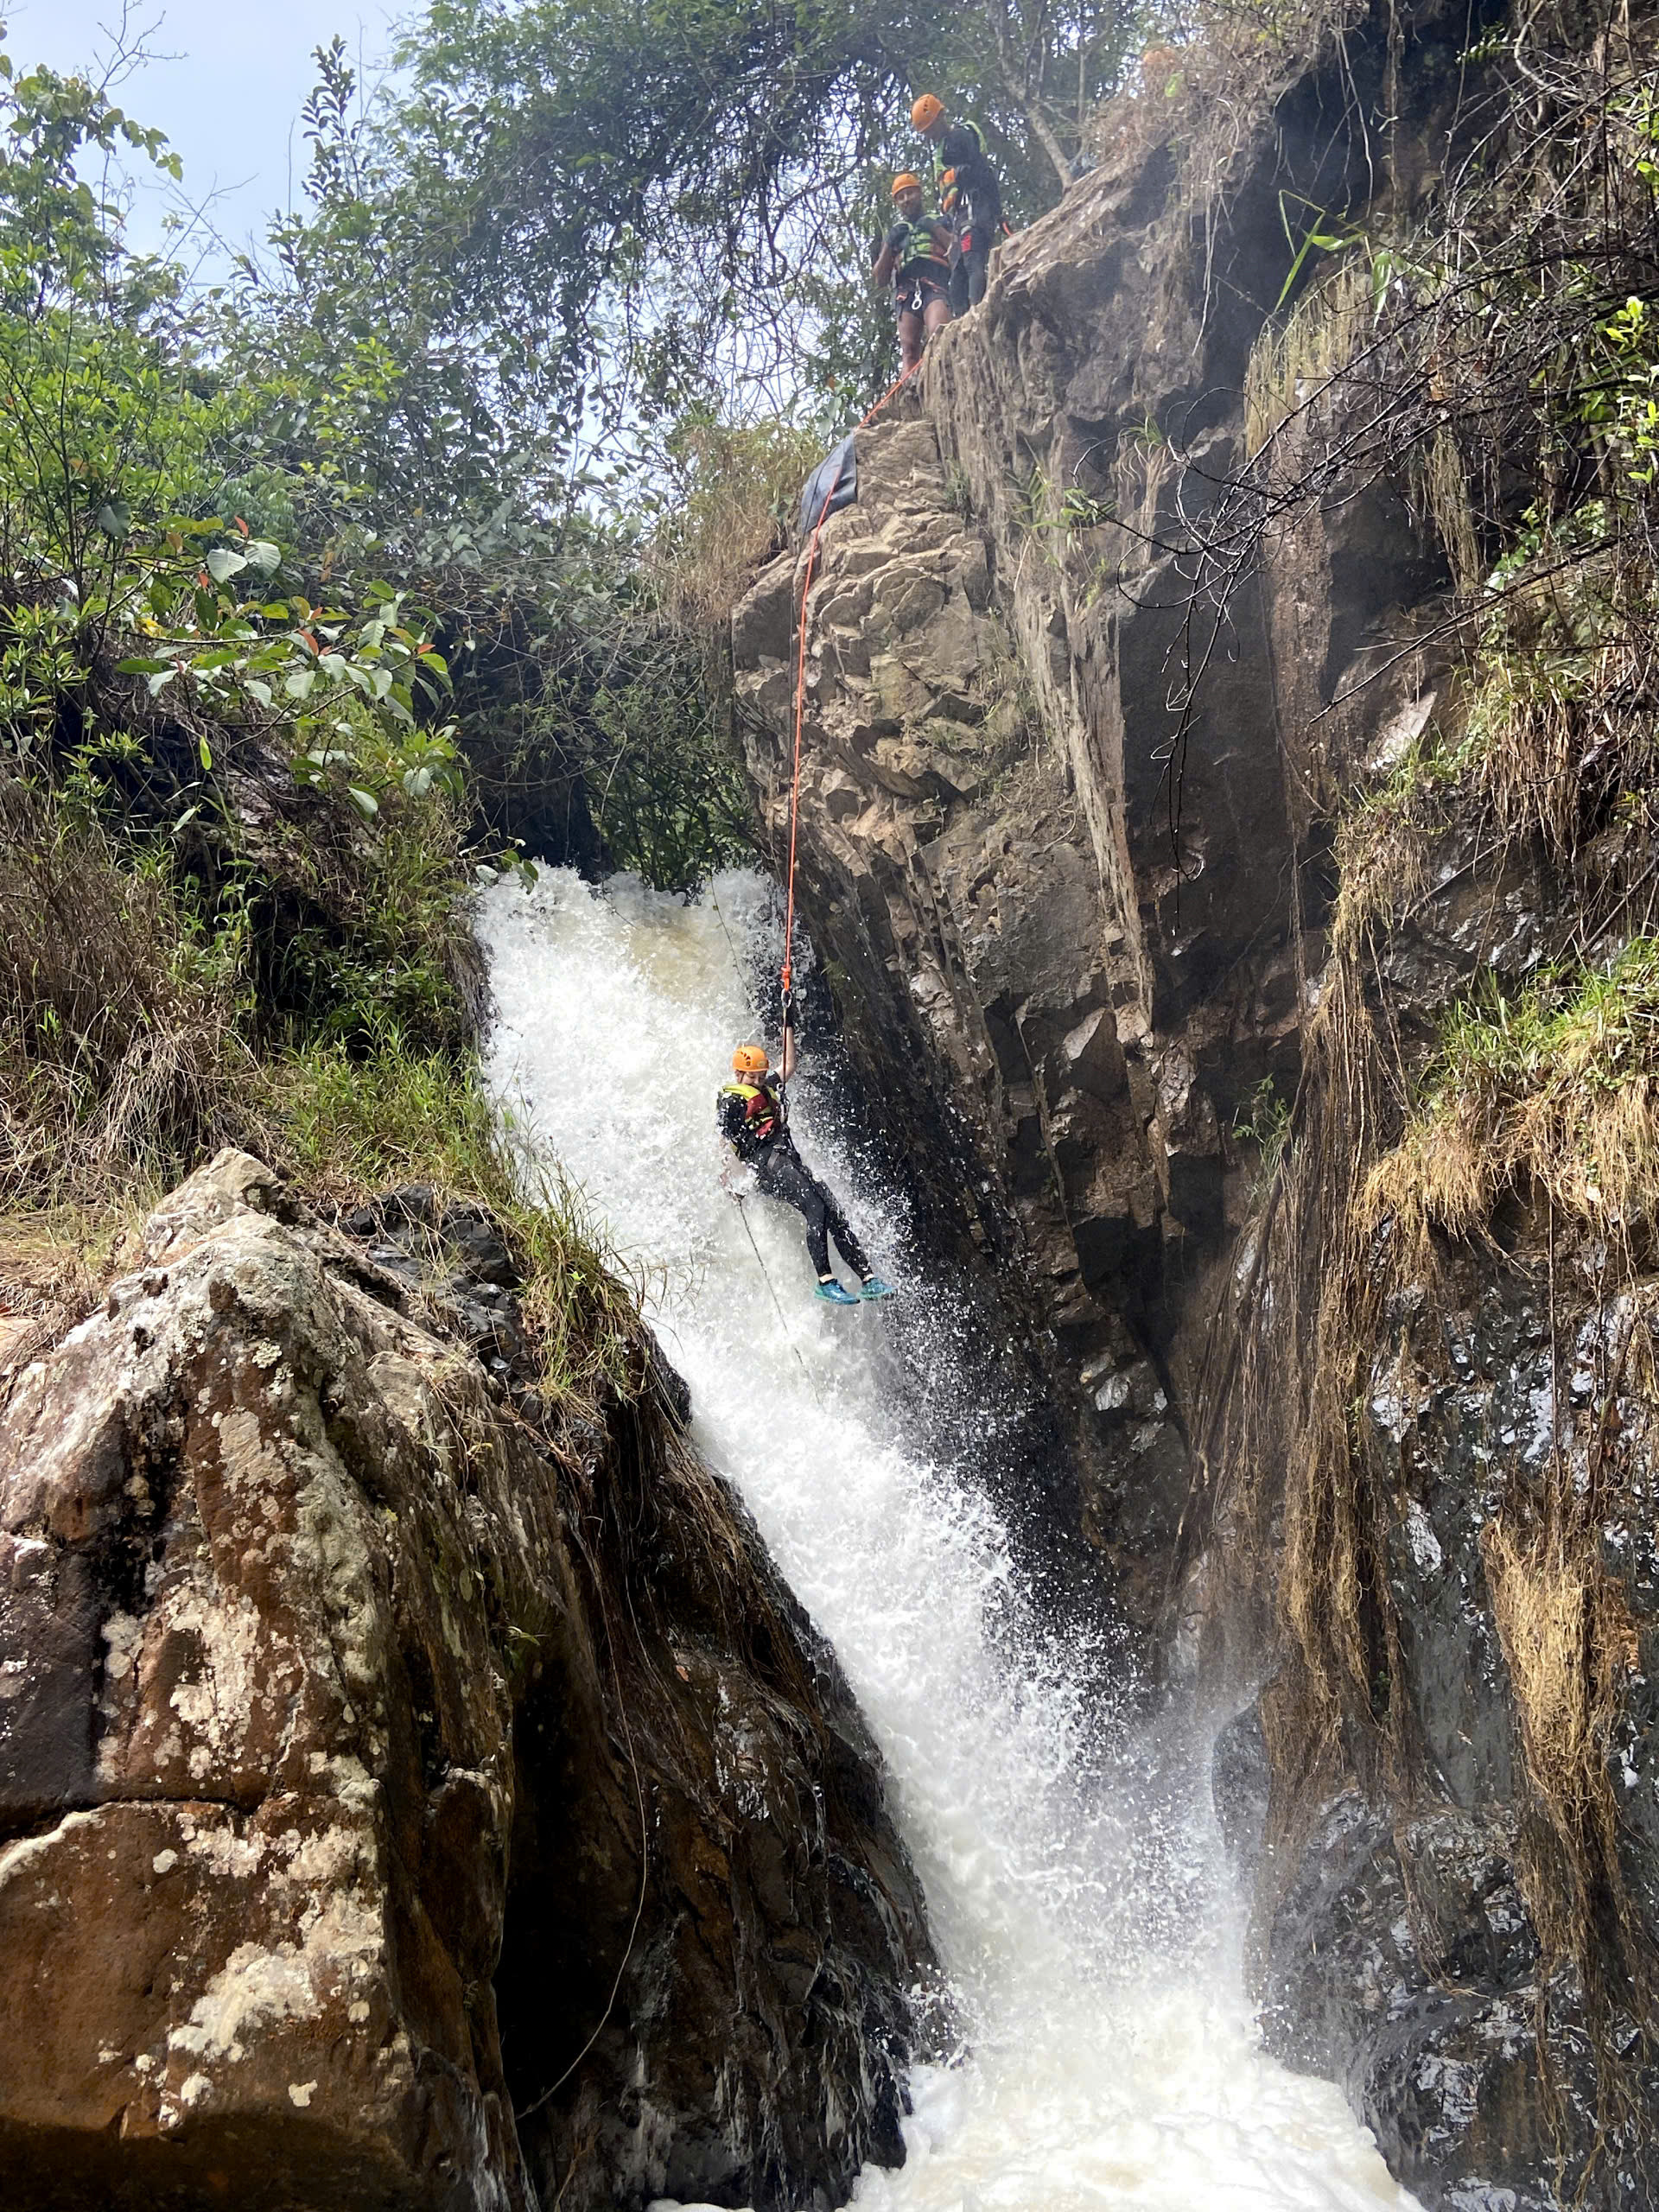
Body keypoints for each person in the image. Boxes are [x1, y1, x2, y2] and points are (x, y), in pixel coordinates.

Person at [719, 1040, 894, 1304]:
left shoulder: (767, 1088)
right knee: (816, 1209)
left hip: (787, 1161)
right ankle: (826, 1281)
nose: (756, 1082)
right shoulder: (732, 1100)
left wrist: (789, 1018)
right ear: (739, 1075)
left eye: (760, 1076)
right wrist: (730, 1178)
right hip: (766, 1166)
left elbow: (789, 1063)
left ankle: (868, 1279)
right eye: (751, 1077)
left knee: (834, 1212)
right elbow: (724, 1142)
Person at [910, 93, 1004, 315]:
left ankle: (977, 312)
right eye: (927, 132)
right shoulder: (943, 149)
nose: (930, 135)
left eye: (931, 128)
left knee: (972, 260)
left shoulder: (960, 137)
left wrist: (956, 176)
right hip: (962, 212)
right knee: (958, 275)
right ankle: (963, 318)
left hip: (974, 205)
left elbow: (980, 170)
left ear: (941, 117)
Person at [871, 172, 953, 374]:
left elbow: (957, 252)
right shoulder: (897, 233)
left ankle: (947, 377)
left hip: (936, 283)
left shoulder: (940, 221)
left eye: (910, 193)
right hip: (906, 290)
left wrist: (934, 228)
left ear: (919, 193)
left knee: (940, 333)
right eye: (900, 197)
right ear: (896, 203)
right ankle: (909, 392)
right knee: (908, 350)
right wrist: (889, 244)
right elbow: (880, 279)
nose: (906, 200)